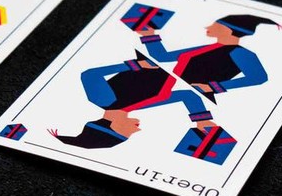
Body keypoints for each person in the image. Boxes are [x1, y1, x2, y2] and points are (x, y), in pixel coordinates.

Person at [53, 53, 219, 149]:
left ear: (112, 126)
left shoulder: (103, 99)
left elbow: (90, 74)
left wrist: (135, 65)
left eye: (126, 133)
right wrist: (201, 121)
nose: (137, 130)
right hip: (186, 63)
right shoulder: (139, 106)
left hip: (158, 57)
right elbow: (186, 95)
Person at [136, 14, 278, 103]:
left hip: (191, 95)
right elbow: (162, 57)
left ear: (228, 30)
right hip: (167, 88)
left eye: (215, 25)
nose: (208, 27)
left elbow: (259, 77)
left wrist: (212, 87)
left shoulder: (240, 53)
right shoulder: (206, 47)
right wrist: (149, 35)